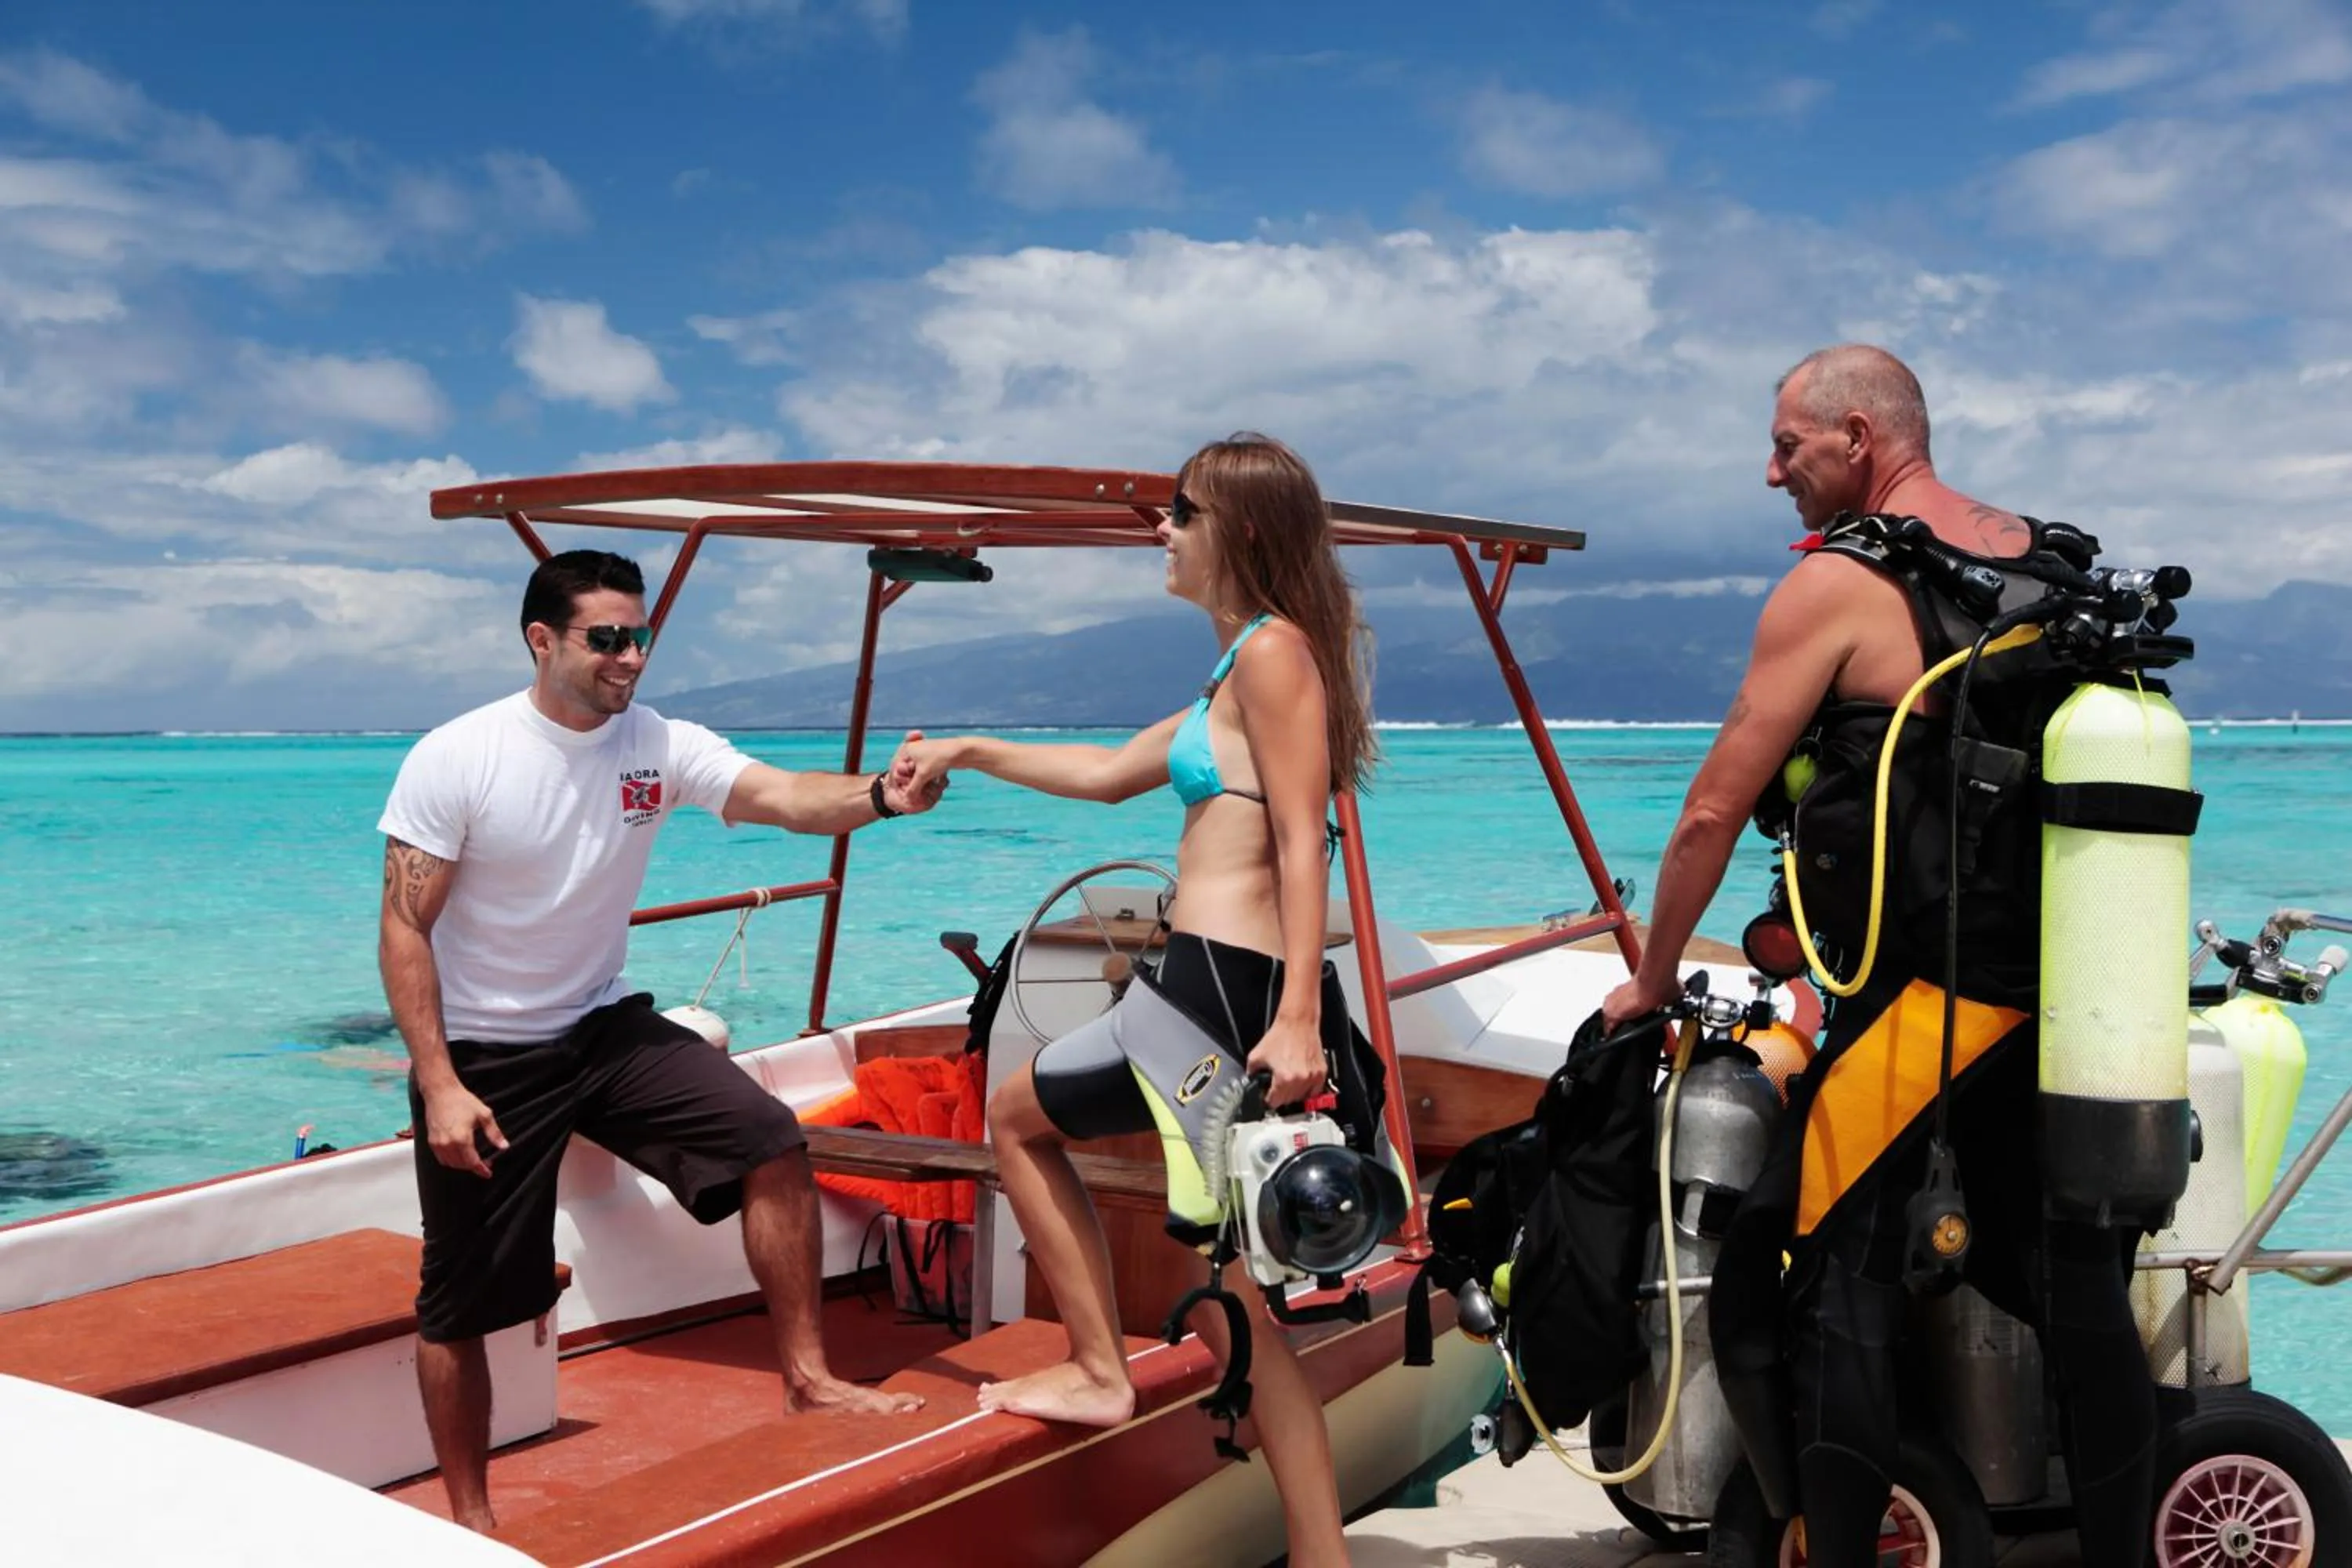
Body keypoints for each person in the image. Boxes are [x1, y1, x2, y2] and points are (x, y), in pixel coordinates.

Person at [1599, 346, 2158, 1566]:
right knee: (2074, 1299)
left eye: (1788, 445)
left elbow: (1712, 807)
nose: (1771, 472)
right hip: (2070, 998)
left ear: (1858, 435)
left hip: (1927, 1009)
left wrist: (1647, 981)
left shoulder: (1842, 585)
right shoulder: (2050, 566)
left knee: (1793, 1287)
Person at [378, 549, 938, 1534]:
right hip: (487, 1052)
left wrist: (882, 798)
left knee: (770, 1137)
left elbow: (785, 797)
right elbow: (404, 926)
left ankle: (809, 1378)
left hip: (602, 1025)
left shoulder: (657, 743)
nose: (630, 655)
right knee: (458, 1297)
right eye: (607, 637)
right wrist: (440, 1082)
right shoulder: (458, 755)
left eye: (640, 636)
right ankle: (468, 1520)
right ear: (542, 640)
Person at [893, 434, 1378, 1568]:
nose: (1161, 531)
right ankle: (1321, 1555)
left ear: (1241, 530)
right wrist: (966, 746)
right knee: (1240, 1296)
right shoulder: (1236, 667)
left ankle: (1103, 1368)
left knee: (1016, 1117)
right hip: (1201, 988)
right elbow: (1109, 774)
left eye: (1180, 513)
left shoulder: (1276, 659)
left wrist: (1300, 1014)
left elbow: (1305, 842)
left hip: (1228, 996)